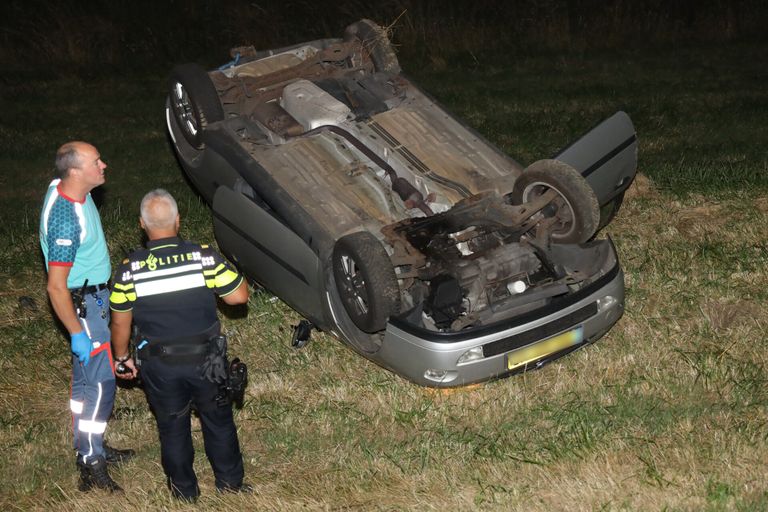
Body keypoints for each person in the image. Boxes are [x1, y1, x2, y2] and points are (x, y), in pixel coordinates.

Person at [109, 188, 250, 501]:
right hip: (207, 362)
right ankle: (230, 485)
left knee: (172, 428)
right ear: (178, 221)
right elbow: (238, 297)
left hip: (159, 365)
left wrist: (121, 357)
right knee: (218, 421)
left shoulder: (128, 269)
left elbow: (120, 322)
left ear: (142, 225)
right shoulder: (202, 257)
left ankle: (184, 493)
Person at [39, 141, 133, 493]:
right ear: (75, 171)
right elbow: (56, 287)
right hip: (86, 307)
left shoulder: (66, 188)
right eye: (96, 162)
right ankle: (93, 460)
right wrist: (78, 332)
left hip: (92, 299)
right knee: (101, 385)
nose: (104, 165)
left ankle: (85, 445)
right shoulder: (66, 220)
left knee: (83, 385)